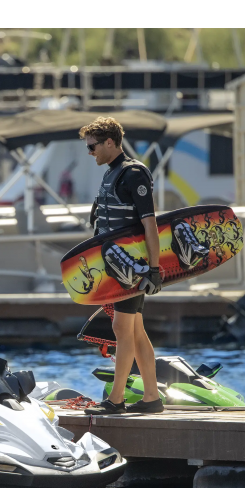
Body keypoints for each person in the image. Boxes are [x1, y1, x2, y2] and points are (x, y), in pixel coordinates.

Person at [80, 116, 164, 415]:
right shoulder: (111, 173)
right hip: (116, 267)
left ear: (110, 142)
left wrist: (154, 269)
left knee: (121, 327)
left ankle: (116, 400)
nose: (90, 153)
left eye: (92, 147)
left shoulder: (133, 174)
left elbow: (150, 224)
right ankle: (152, 397)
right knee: (135, 330)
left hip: (133, 266)